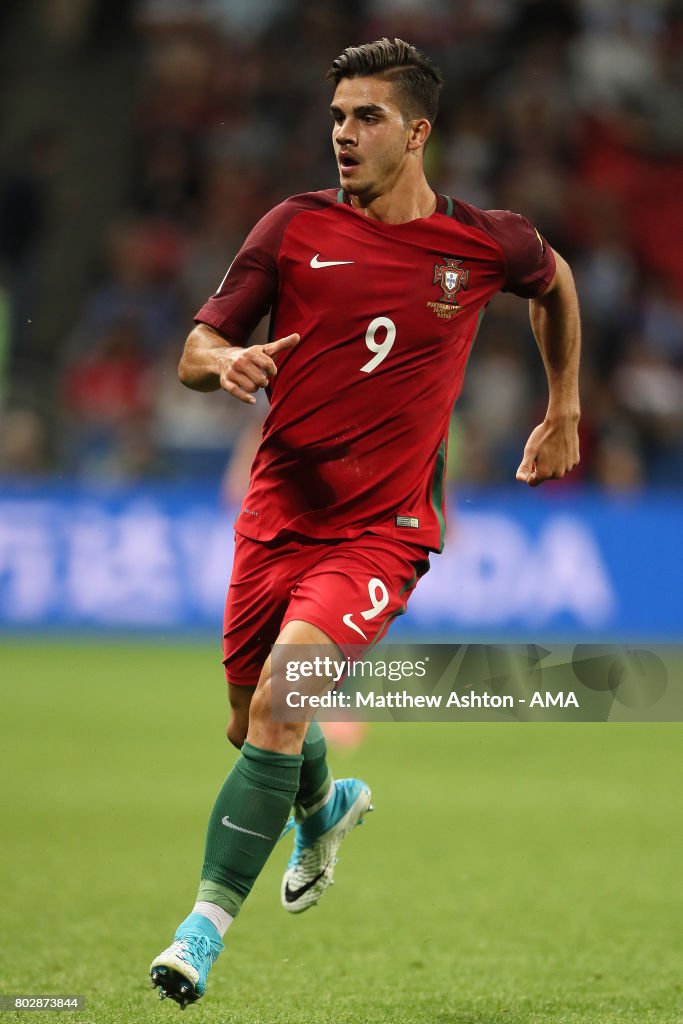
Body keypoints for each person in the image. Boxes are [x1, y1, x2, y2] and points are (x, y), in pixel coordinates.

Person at [150, 37, 580, 1008]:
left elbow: (552, 281)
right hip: (275, 516)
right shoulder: (291, 227)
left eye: (366, 117)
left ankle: (199, 931)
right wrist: (222, 365)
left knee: (279, 699)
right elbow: (196, 344)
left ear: (415, 131)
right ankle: (324, 805)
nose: (343, 134)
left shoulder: (482, 242)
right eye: (337, 116)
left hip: (380, 531)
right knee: (246, 722)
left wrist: (562, 409)